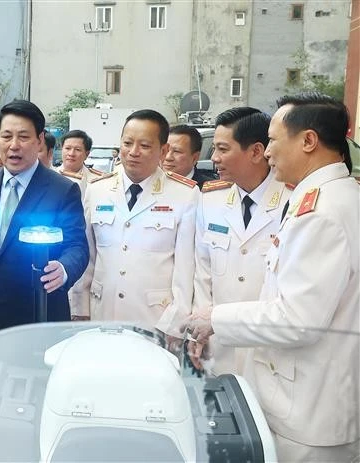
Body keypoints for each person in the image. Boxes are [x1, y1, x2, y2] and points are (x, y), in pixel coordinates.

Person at [188, 93, 359, 461]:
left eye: (275, 141)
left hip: (308, 412)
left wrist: (214, 318)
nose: (267, 152)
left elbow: (299, 320)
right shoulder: (330, 196)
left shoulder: (322, 211)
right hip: (303, 398)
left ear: (308, 141)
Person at [0, 100, 89, 341]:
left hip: (39, 312)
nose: (14, 146)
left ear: (40, 140)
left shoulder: (63, 189)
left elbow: (77, 246)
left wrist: (63, 268)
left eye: (23, 137)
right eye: (6, 136)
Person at [69, 110, 200, 335]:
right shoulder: (98, 189)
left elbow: (186, 270)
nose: (133, 152)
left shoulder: (184, 195)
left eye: (145, 146)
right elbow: (88, 256)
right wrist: (80, 308)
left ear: (163, 150)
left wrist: (173, 328)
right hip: (102, 317)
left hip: (154, 322)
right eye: (127, 143)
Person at [192, 107, 290, 375]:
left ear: (257, 152)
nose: (214, 158)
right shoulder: (210, 200)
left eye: (223, 149)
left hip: (269, 351)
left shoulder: (291, 201)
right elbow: (203, 273)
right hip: (219, 344)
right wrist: (199, 330)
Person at [56, 129, 104, 197]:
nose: (71, 154)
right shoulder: (50, 177)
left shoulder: (96, 180)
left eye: (77, 149)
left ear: (86, 154)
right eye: (67, 148)